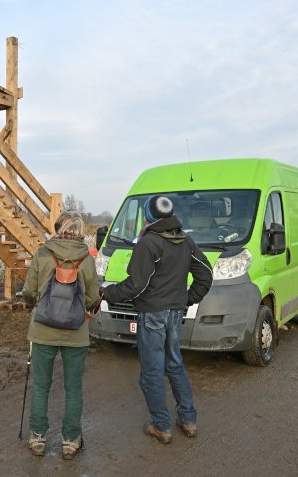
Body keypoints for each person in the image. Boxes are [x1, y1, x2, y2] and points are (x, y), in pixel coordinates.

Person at [103, 195, 213, 444]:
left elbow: (136, 286)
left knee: (152, 372)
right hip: (174, 313)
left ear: (149, 217)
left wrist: (107, 293)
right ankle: (188, 420)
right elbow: (206, 275)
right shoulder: (185, 241)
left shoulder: (149, 242)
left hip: (152, 313)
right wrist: (185, 299)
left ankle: (161, 426)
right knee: (174, 364)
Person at [22, 211, 100, 460]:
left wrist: (31, 303)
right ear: (80, 232)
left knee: (41, 386)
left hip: (43, 330)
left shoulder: (43, 254)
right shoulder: (87, 260)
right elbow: (91, 299)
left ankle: (37, 438)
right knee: (73, 388)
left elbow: (29, 292)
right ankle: (70, 441)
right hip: (75, 333)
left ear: (58, 229)